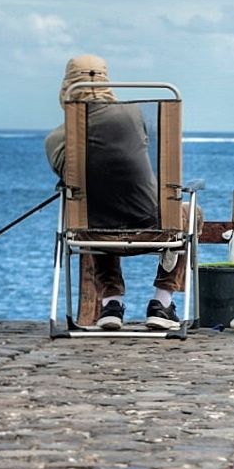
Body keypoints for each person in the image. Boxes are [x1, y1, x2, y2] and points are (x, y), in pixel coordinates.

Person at [44, 54, 185, 330]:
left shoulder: (54, 140)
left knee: (95, 210)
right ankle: (162, 303)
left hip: (93, 232)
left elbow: (73, 182)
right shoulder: (133, 114)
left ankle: (111, 303)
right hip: (153, 227)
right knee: (190, 213)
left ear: (65, 88)